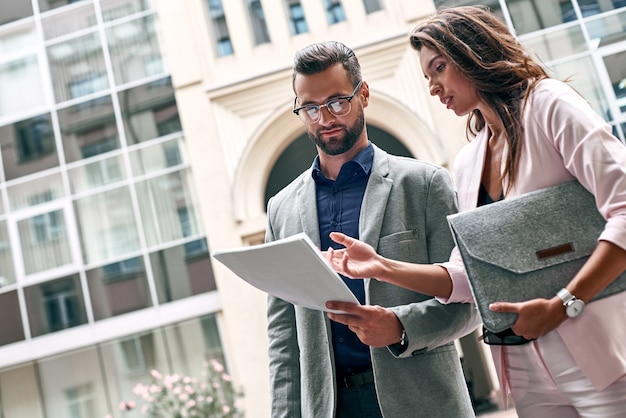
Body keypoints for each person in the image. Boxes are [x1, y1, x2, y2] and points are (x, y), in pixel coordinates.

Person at [324, 6, 626, 418]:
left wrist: (562, 304)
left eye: (439, 68)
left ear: (472, 52)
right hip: (524, 367)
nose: (433, 87)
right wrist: (380, 266)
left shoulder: (549, 104)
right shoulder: (469, 162)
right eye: (427, 77)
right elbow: (469, 276)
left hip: (598, 349)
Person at [265, 40, 480, 418]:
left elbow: (471, 301)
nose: (325, 119)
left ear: (363, 93)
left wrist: (400, 327)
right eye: (311, 109)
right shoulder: (280, 209)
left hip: (423, 401)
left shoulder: (425, 185)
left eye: (337, 102)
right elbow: (284, 338)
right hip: (331, 408)